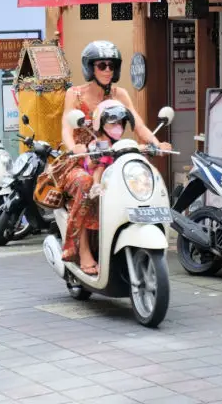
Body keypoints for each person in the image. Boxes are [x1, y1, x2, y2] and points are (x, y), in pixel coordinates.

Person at [59, 40, 171, 276]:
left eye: (112, 65)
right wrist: (73, 147)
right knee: (86, 184)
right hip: (82, 160)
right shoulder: (75, 94)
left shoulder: (120, 94)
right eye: (102, 65)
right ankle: (82, 249)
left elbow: (138, 125)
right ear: (90, 67)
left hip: (112, 157)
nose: (108, 70)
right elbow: (66, 128)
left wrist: (156, 143)